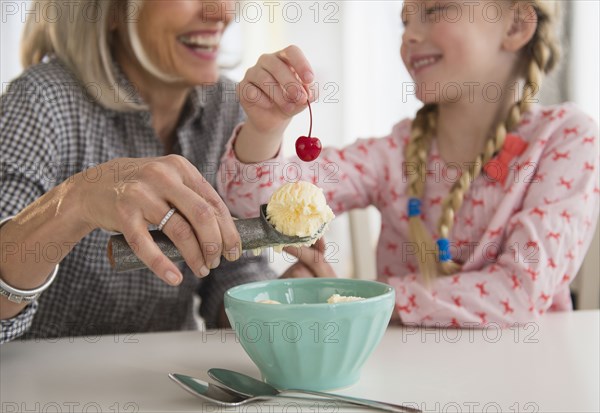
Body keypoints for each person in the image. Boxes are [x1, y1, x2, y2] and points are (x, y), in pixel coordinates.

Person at [219, 0, 599, 326]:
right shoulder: (394, 153)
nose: (409, 35)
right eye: (405, 19)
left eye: (434, 10)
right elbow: (258, 206)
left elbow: (517, 293)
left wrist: (352, 299)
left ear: (515, 26)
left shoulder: (565, 139)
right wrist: (266, 130)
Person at [0, 0, 334, 344]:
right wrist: (77, 201)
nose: (221, 13)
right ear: (113, 10)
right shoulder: (41, 99)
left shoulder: (227, 105)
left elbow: (229, 272)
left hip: (168, 383)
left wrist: (269, 306)